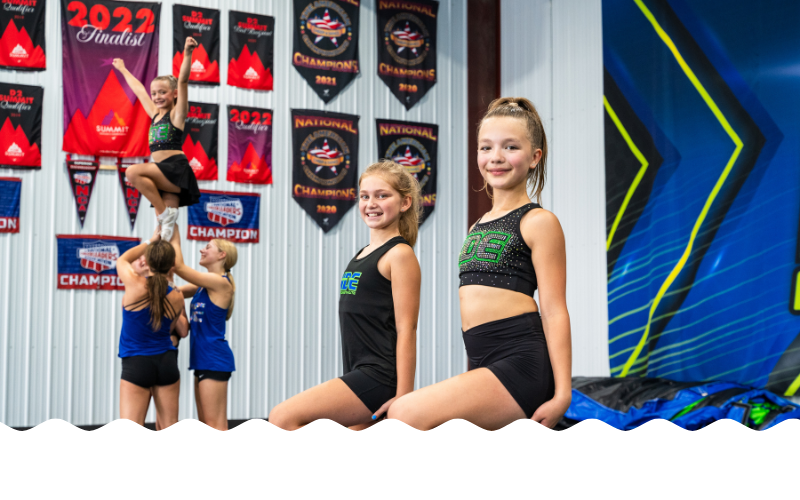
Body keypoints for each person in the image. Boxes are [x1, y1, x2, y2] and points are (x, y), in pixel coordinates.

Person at [388, 97, 572, 430]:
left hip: (521, 364)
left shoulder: (539, 222)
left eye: (510, 147)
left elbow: (555, 311)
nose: (496, 157)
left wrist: (562, 394)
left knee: (404, 414)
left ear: (535, 157)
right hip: (484, 362)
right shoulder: (478, 224)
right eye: (486, 147)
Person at [268, 161, 422, 430]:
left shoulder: (399, 254)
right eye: (365, 196)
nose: (371, 203)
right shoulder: (362, 254)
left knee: (282, 417)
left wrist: (403, 398)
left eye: (382, 195)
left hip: (379, 377)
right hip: (357, 372)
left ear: (405, 202)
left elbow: (406, 328)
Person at [112, 36, 201, 242]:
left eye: (163, 92)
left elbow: (183, 81)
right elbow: (139, 90)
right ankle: (164, 227)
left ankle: (163, 217)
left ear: (175, 94)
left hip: (175, 169)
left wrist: (187, 53)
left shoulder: (177, 115)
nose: (157, 96)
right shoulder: (154, 114)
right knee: (164, 236)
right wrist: (123, 69)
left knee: (132, 171)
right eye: (155, 93)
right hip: (163, 175)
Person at [116, 229, 188, 428]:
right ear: (171, 266)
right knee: (169, 427)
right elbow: (171, 328)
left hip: (137, 362)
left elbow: (122, 259)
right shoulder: (177, 295)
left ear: (148, 261)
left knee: (131, 429)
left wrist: (150, 241)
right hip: (166, 362)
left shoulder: (135, 285)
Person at [168, 227, 237, 431]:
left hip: (214, 359)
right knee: (206, 426)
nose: (202, 250)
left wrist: (173, 227)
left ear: (222, 255)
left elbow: (178, 266)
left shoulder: (220, 283)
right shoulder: (202, 286)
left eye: (208, 247)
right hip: (202, 359)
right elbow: (174, 291)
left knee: (215, 426)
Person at [131, 253, 189, 431]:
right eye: (139, 259)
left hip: (163, 359)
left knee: (164, 425)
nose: (142, 261)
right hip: (143, 360)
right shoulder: (136, 290)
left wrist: (170, 299)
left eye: (145, 259)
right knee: (135, 424)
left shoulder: (174, 293)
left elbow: (183, 331)